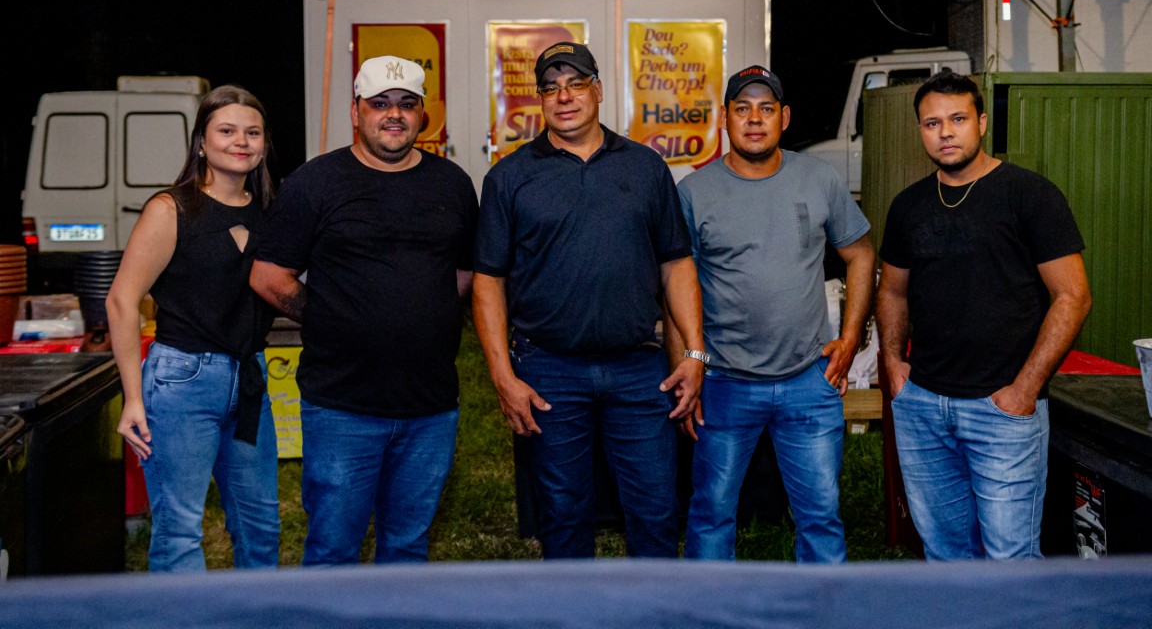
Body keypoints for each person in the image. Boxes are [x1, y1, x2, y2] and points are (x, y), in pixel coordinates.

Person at [472, 41, 707, 560]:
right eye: (551, 88)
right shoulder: (509, 177)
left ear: (598, 90)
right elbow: (489, 281)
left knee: (656, 510)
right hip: (548, 371)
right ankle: (573, 603)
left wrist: (694, 354)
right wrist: (502, 376)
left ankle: (655, 604)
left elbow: (676, 264)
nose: (564, 97)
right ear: (539, 99)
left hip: (640, 370)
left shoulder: (645, 168)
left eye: (576, 84)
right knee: (563, 514)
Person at [250, 55, 477, 565]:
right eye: (380, 103)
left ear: (423, 115)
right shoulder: (315, 183)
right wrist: (331, 318)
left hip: (431, 407)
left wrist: (423, 312)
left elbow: (465, 271)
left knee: (408, 547)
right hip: (342, 408)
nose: (394, 114)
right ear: (356, 112)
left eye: (407, 103)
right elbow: (268, 275)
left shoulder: (452, 184)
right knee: (333, 550)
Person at [876, 70, 1091, 560]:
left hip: (1002, 411)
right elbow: (892, 291)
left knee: (1010, 559)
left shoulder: (1030, 195)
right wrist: (892, 363)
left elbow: (1073, 296)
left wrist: (1024, 390)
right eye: (932, 123)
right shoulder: (908, 205)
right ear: (920, 130)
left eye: (957, 119)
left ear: (982, 122)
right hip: (924, 407)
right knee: (945, 555)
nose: (945, 132)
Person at [668, 66, 874, 563]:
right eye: (742, 109)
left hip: (809, 379)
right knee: (711, 512)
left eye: (766, 109)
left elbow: (862, 254)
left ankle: (821, 602)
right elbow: (675, 287)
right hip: (723, 381)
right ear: (724, 119)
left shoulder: (819, 178)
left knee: (820, 514)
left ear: (785, 117)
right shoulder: (694, 192)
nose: (754, 119)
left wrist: (850, 338)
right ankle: (712, 604)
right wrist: (688, 370)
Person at [107, 85, 280, 572]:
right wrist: (133, 398)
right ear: (202, 141)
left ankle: (258, 611)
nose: (240, 141)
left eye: (252, 133)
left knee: (262, 526)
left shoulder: (272, 211)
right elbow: (121, 301)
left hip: (250, 378)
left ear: (264, 144)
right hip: (182, 381)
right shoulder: (171, 210)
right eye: (226, 131)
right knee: (181, 531)